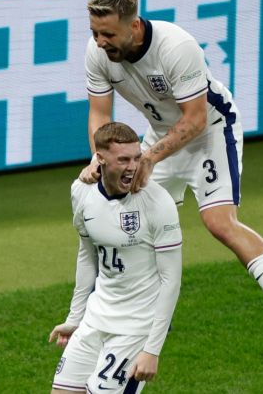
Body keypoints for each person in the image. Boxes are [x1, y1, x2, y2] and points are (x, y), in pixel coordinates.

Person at [79, 0, 263, 353]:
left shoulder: (175, 47)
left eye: (108, 33)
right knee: (128, 217)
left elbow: (193, 120)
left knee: (219, 222)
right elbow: (99, 114)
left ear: (134, 26)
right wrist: (100, 157)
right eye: (95, 33)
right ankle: (145, 313)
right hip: (161, 135)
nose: (100, 42)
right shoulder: (98, 54)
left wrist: (150, 158)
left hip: (210, 131)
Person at [50, 122, 183, 393]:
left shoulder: (158, 202)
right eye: (123, 159)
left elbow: (171, 280)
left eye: (137, 157)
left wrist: (152, 350)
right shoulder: (82, 192)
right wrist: (75, 319)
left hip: (135, 328)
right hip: (95, 318)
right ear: (100, 159)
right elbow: (87, 255)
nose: (133, 167)